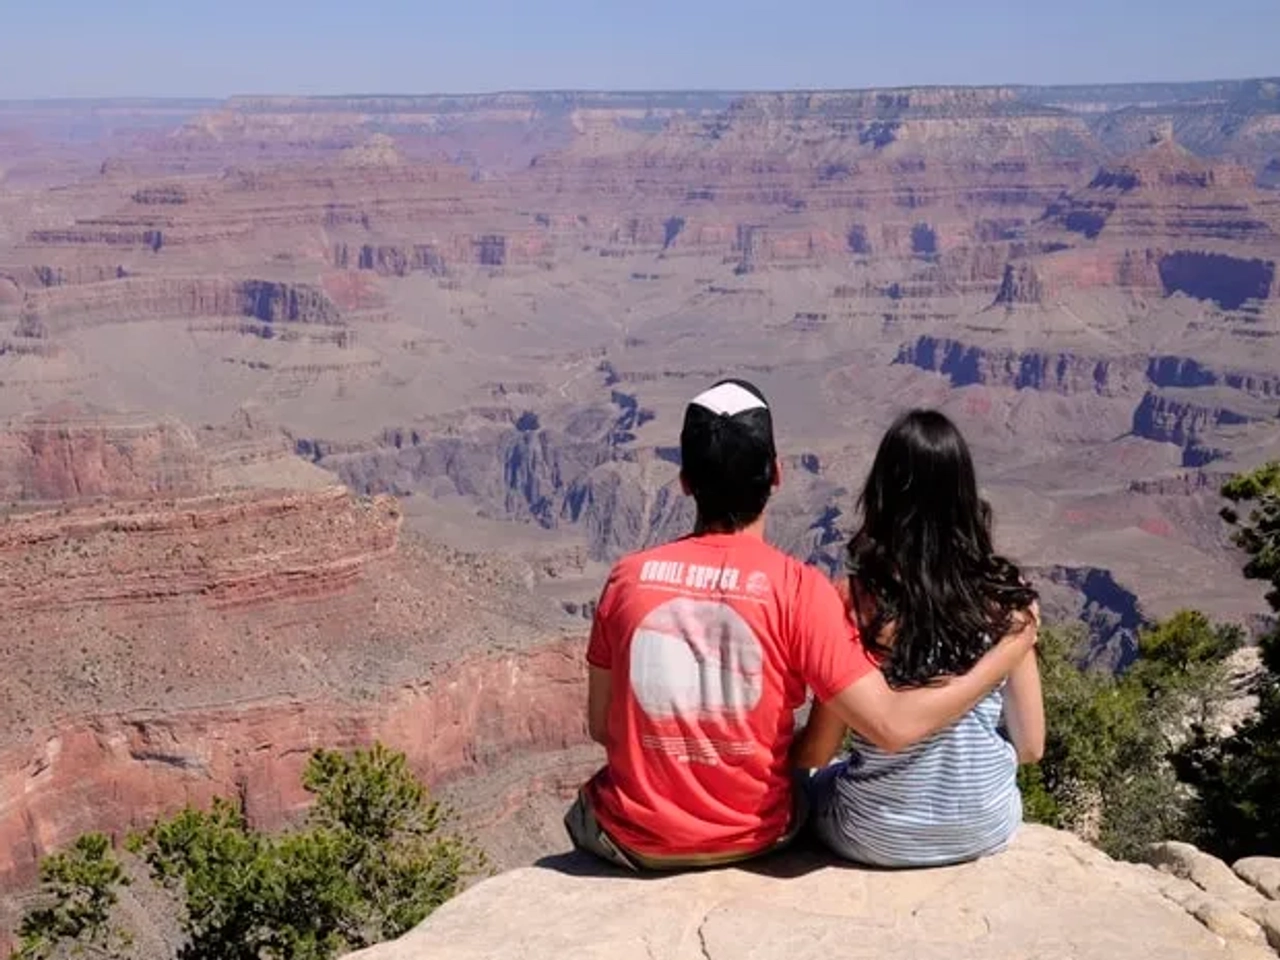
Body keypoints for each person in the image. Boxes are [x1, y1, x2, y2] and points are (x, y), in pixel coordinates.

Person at [564, 381, 1038, 871]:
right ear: (776, 474)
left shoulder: (626, 579)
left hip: (637, 843)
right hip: (756, 834)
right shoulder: (801, 590)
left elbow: (603, 726)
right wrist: (1008, 651)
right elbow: (893, 726)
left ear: (684, 481)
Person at [793, 408, 1045, 868]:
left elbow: (820, 749)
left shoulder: (854, 601)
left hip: (874, 834)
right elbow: (1030, 746)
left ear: (881, 492)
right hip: (987, 826)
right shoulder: (1008, 602)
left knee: (812, 786)